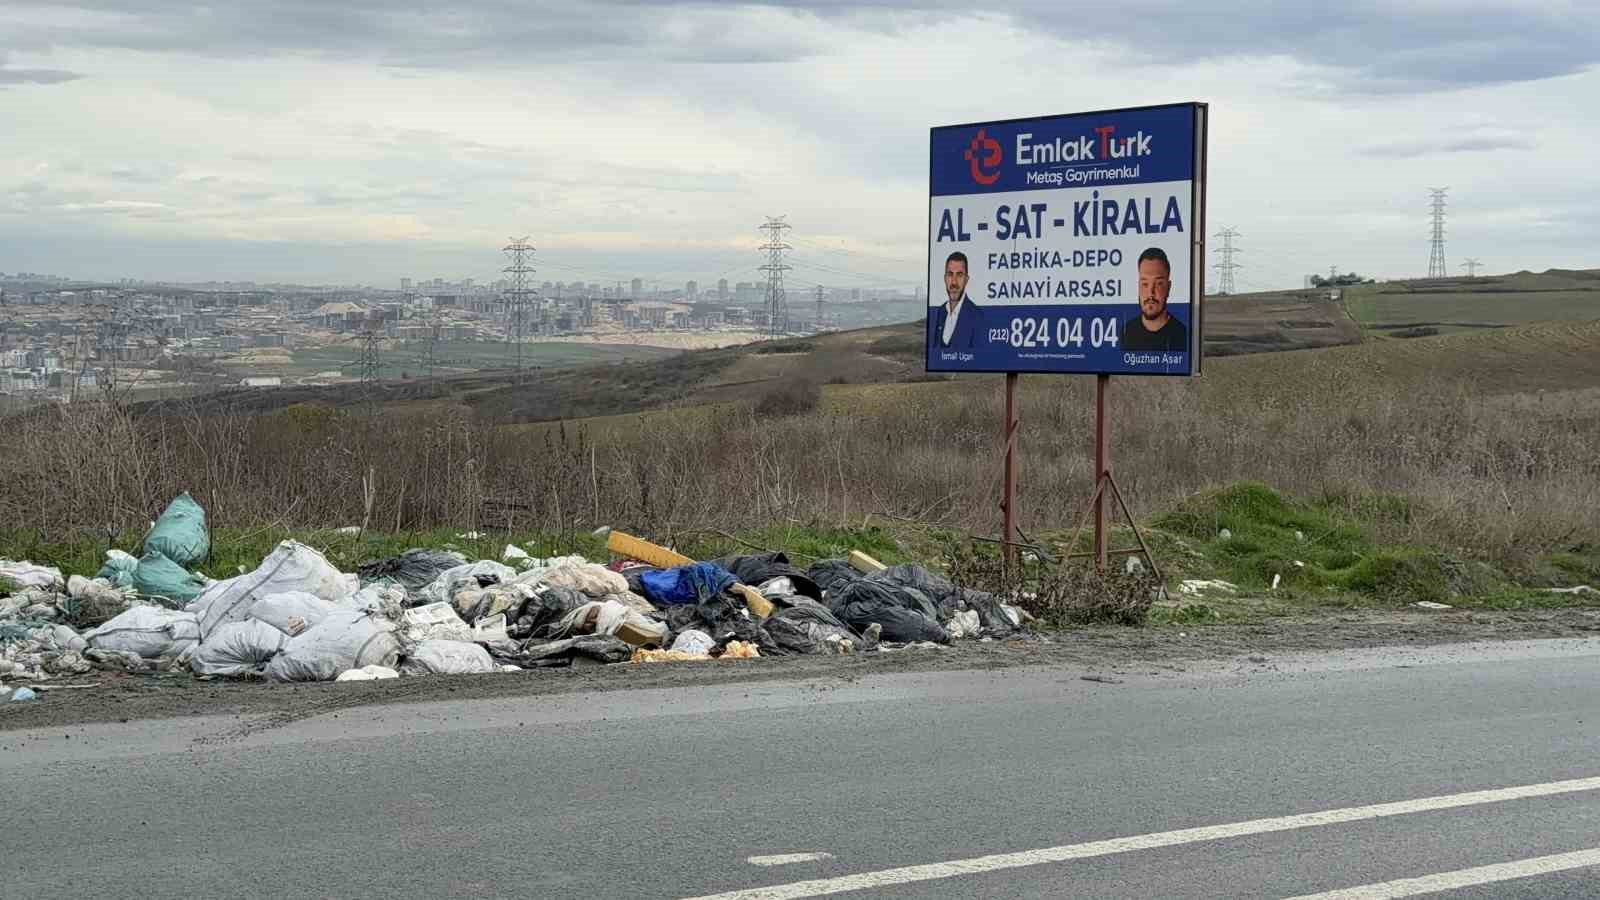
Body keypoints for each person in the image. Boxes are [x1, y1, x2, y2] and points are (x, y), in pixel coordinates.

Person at [1121, 247, 1189, 352]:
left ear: (1169, 287)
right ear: (1138, 286)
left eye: (1158, 284)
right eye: (1145, 284)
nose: (1150, 293)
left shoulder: (1184, 336)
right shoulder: (1125, 333)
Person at [928, 251, 984, 351]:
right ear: (945, 278)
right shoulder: (940, 312)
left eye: (959, 275)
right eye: (950, 274)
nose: (954, 282)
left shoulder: (977, 316)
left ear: (966, 280)